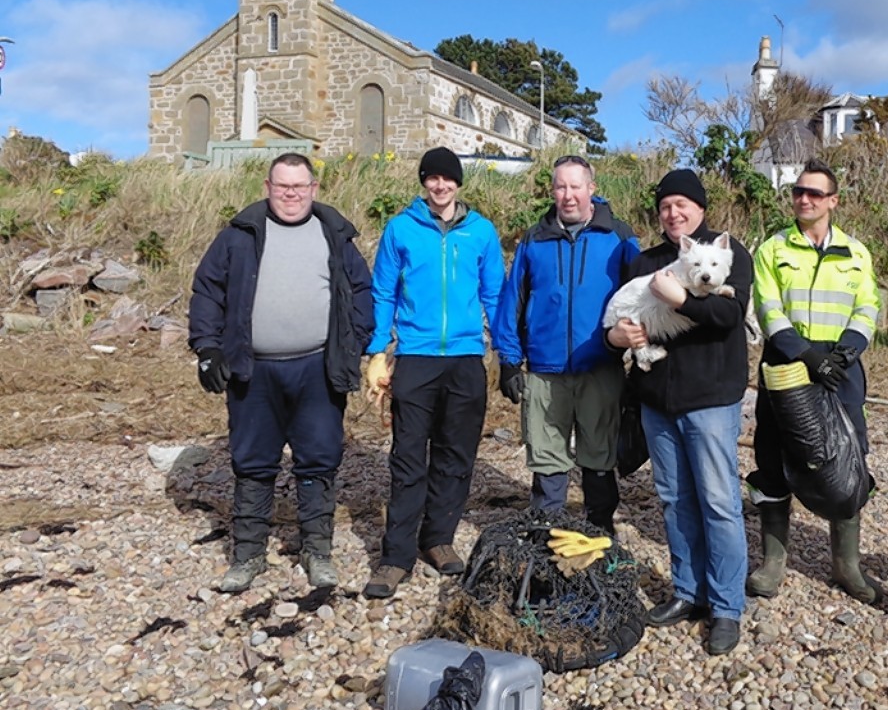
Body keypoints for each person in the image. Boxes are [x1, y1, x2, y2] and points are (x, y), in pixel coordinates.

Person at [189, 152, 373, 593]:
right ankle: (249, 555)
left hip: (317, 368)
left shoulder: (335, 235)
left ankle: (317, 550)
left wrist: (355, 342)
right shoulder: (238, 236)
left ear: (314, 189)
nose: (291, 194)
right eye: (282, 186)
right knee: (252, 463)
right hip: (253, 371)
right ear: (268, 188)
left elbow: (363, 291)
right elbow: (207, 291)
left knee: (319, 459)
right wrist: (208, 348)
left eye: (299, 186)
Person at [607, 169, 752, 656]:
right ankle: (688, 592)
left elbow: (728, 318)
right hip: (657, 400)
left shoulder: (729, 255)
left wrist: (682, 298)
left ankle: (727, 606)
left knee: (718, 503)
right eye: (666, 205)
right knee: (673, 499)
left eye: (683, 205)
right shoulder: (647, 261)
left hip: (710, 399)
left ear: (701, 209)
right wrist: (617, 338)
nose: (674, 213)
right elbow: (623, 322)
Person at [362, 147, 504, 599]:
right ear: (423, 182)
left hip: (465, 358)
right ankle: (395, 556)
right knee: (408, 458)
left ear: (459, 182)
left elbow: (495, 296)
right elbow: (383, 290)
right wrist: (377, 350)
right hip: (417, 357)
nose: (440, 186)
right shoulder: (401, 228)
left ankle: (438, 538)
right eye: (432, 179)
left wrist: (507, 353)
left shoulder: (481, 232)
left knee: (456, 455)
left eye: (447, 178)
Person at [747, 158, 882, 603]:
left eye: (815, 193)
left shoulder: (856, 253)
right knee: (773, 455)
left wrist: (843, 354)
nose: (804, 199)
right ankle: (773, 562)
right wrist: (806, 355)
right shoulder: (773, 249)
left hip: (841, 370)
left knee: (848, 454)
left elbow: (868, 307)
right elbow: (768, 307)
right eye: (798, 192)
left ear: (833, 201)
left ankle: (847, 565)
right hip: (787, 366)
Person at [492, 155, 639, 532]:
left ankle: (601, 541)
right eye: (560, 187)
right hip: (545, 371)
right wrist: (509, 360)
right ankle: (547, 543)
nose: (568, 195)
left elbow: (640, 296)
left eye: (576, 186)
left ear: (592, 188)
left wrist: (640, 355)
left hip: (601, 367)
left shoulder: (619, 237)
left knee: (599, 459)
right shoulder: (534, 238)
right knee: (547, 462)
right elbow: (514, 299)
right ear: (552, 191)